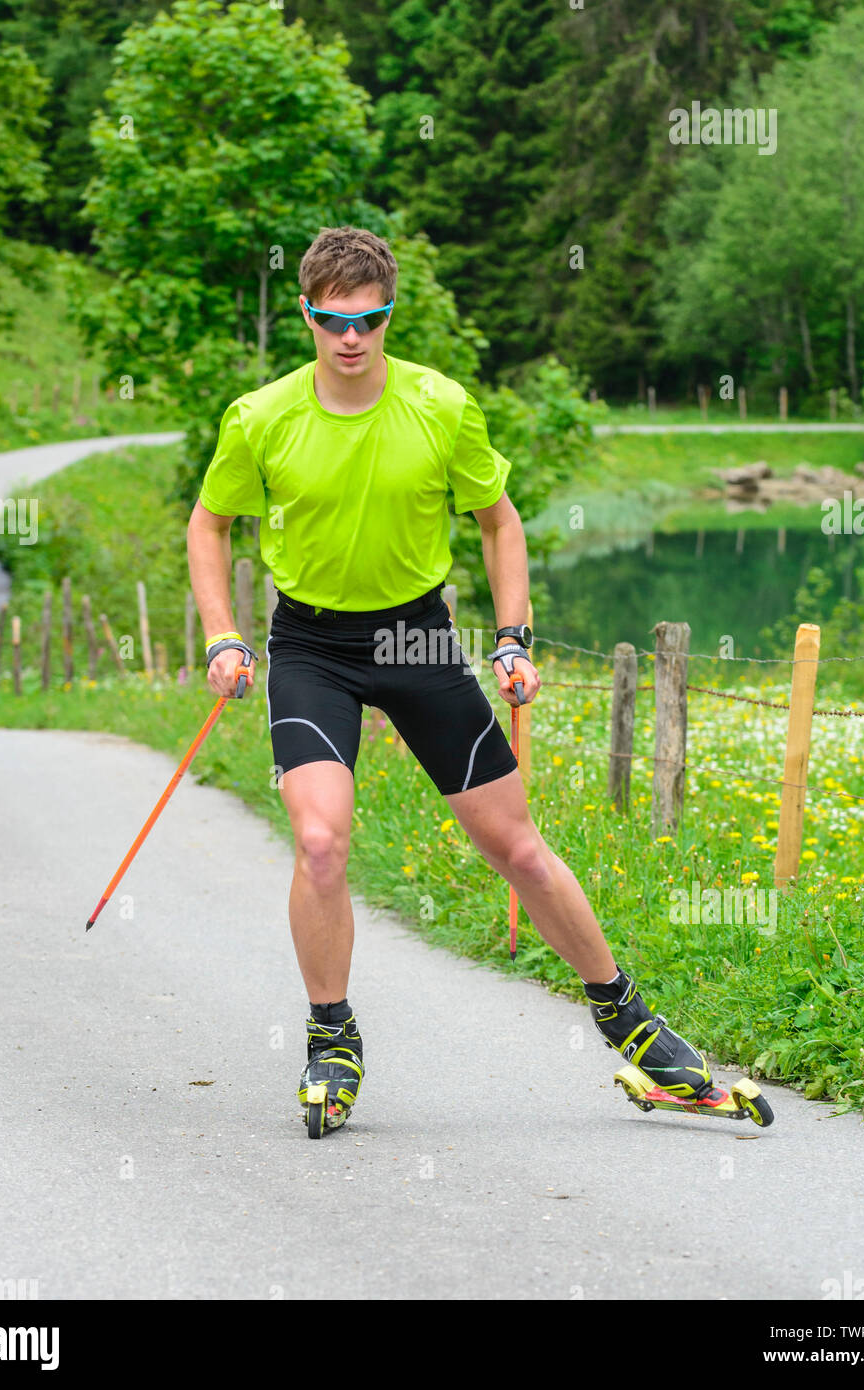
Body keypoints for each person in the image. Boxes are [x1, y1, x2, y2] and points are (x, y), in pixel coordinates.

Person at [186, 225, 714, 1133]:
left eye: (371, 320)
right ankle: (331, 1035)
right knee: (320, 843)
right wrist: (223, 637)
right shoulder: (260, 416)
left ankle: (627, 1017)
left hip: (417, 638)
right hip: (310, 646)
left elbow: (499, 523)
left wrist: (513, 637)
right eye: (332, 321)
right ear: (308, 316)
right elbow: (209, 525)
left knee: (515, 848)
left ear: (391, 315)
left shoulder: (441, 405)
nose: (352, 339)